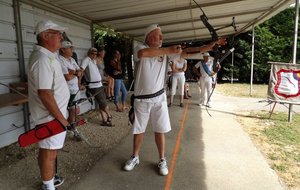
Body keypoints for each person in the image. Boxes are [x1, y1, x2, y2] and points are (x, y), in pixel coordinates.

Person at [123, 24, 226, 176]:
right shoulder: (140, 47)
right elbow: (144, 53)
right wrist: (168, 50)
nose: (161, 38)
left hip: (159, 97)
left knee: (160, 129)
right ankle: (135, 156)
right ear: (149, 36)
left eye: (161, 36)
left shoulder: (166, 53)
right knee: (139, 129)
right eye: (159, 35)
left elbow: (188, 53)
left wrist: (210, 45)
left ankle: (162, 159)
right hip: (141, 99)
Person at [27, 20, 69, 190]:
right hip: (50, 117)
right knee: (49, 152)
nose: (61, 36)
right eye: (57, 33)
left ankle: (49, 180)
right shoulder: (42, 59)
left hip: (53, 116)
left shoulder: (47, 56)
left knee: (48, 150)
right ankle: (48, 186)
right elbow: (44, 93)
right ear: (45, 36)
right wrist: (61, 119)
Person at [80, 48, 113, 126]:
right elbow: (81, 71)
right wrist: (80, 83)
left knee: (101, 103)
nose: (94, 55)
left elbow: (97, 70)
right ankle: (109, 116)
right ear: (89, 53)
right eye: (92, 53)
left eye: (95, 53)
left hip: (99, 84)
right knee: (103, 103)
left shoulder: (93, 61)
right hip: (93, 85)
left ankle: (105, 121)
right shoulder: (86, 60)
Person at [59, 40, 83, 141]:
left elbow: (81, 71)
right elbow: (67, 78)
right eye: (70, 48)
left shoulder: (72, 59)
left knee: (76, 111)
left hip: (75, 89)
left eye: (72, 47)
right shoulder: (60, 60)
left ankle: (69, 127)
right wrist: (75, 73)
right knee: (71, 111)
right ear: (63, 50)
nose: (72, 49)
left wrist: (74, 73)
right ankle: (71, 129)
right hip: (66, 90)